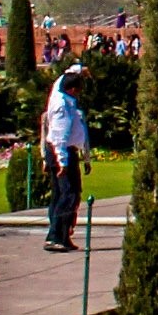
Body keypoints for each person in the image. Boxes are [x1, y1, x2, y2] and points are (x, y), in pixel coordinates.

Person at [42, 63, 90, 251]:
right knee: (68, 195)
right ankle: (55, 235)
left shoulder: (59, 91)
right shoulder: (62, 106)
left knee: (63, 194)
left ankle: (62, 235)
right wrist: (62, 162)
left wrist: (80, 68)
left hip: (61, 151)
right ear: (71, 89)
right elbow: (60, 137)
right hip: (61, 152)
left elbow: (65, 76)